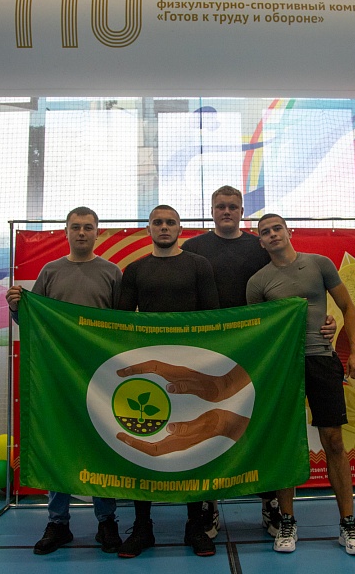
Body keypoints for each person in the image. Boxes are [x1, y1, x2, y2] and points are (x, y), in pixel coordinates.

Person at [181, 185, 336, 538]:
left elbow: (288, 287)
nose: (226, 211)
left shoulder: (260, 246)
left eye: (233, 206)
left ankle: (270, 502)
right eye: (220, 206)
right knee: (209, 426)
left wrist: (324, 319)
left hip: (261, 352)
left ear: (241, 211)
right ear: (211, 210)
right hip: (208, 353)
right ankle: (207, 504)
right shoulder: (193, 248)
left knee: (262, 425)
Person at [246, 213, 355, 556]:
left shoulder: (319, 264)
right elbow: (257, 331)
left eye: (277, 228)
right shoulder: (257, 282)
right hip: (283, 368)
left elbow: (347, 307)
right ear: (261, 242)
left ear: (288, 232)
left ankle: (348, 524)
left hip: (321, 360)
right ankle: (286, 521)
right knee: (287, 444)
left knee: (334, 441)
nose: (272, 234)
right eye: (265, 232)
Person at [5, 206, 123, 556]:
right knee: (58, 444)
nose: (82, 232)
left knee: (101, 444)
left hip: (100, 376)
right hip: (57, 376)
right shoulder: (50, 271)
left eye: (88, 227)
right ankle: (58, 522)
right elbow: (34, 320)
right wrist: (16, 307)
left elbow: (123, 327)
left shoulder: (112, 272)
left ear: (98, 232)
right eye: (76, 227)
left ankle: (107, 521)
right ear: (66, 231)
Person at [116, 205, 220, 558]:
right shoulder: (135, 270)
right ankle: (142, 528)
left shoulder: (199, 265)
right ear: (148, 229)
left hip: (190, 368)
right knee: (143, 441)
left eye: (170, 222)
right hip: (148, 371)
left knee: (191, 441)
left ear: (180, 228)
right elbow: (120, 323)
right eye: (157, 222)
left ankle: (196, 526)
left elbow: (213, 318)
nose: (164, 227)